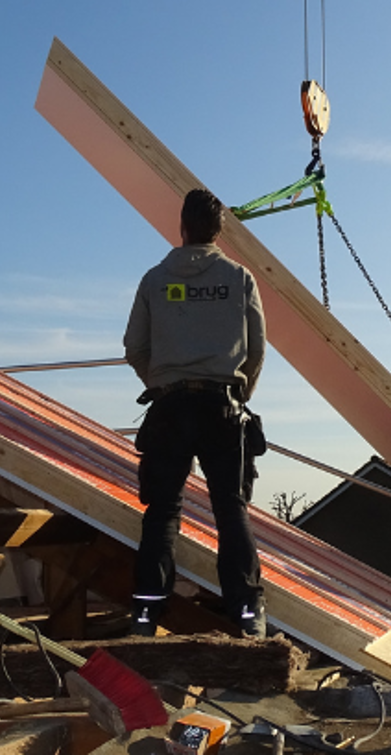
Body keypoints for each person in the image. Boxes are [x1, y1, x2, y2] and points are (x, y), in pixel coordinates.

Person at [124, 188, 267, 638]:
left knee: (163, 510)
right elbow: (256, 349)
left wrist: (162, 385)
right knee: (230, 508)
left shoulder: (155, 278)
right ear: (219, 230)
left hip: (170, 407)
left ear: (182, 226)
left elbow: (135, 348)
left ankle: (147, 614)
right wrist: (239, 392)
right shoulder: (238, 278)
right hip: (222, 405)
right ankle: (247, 614)